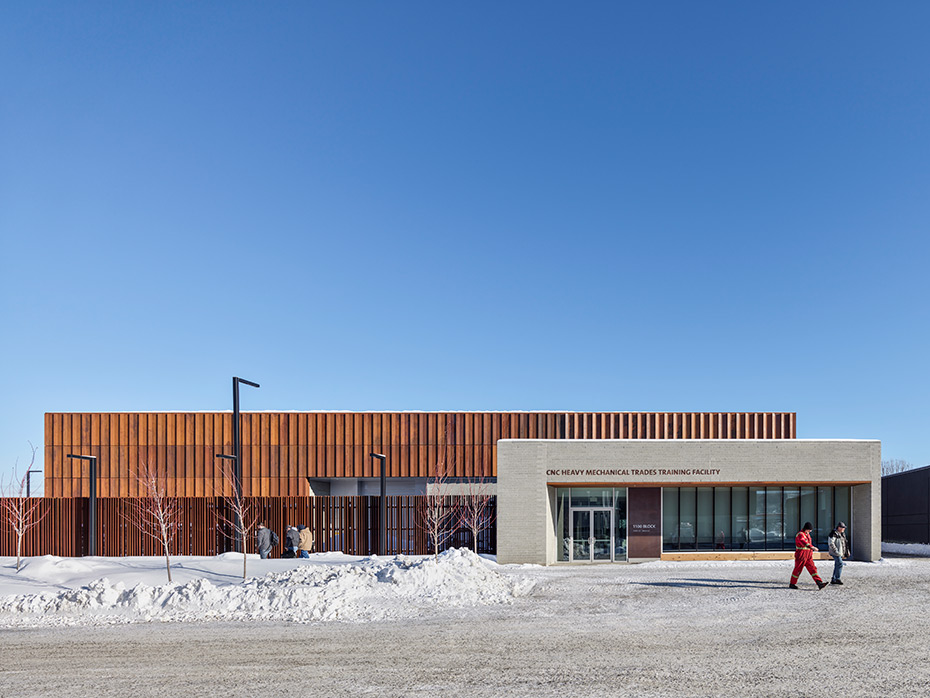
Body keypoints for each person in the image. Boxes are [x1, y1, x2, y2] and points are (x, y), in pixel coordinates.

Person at [789, 522, 827, 590]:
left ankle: (819, 583)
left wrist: (811, 549)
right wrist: (812, 547)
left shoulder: (807, 534)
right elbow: (804, 542)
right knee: (798, 570)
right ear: (806, 529)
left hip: (808, 555)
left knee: (813, 569)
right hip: (801, 555)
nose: (810, 531)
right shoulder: (800, 534)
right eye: (809, 530)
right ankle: (792, 583)